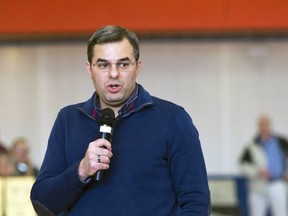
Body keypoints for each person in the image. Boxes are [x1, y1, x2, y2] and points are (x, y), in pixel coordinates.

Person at [30, 25, 210, 215]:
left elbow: (196, 203)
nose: (113, 73)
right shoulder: (68, 120)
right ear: (89, 69)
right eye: (103, 65)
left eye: (123, 64)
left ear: (137, 67)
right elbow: (43, 203)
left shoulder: (172, 120)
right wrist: (81, 170)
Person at [239, 115, 288, 216]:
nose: (264, 127)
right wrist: (257, 172)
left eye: (266, 124)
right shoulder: (251, 145)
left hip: (278, 184)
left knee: (281, 213)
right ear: (258, 127)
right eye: (261, 125)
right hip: (258, 186)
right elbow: (242, 164)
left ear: (270, 126)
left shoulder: (281, 142)